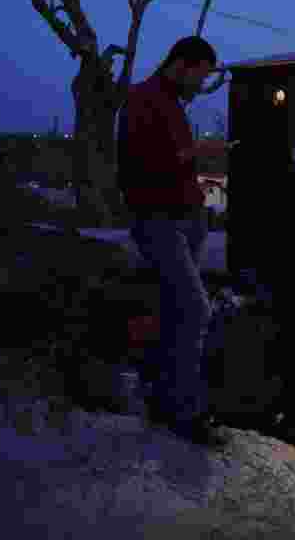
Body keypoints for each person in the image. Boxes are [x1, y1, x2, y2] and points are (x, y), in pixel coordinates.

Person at [117, 35, 232, 447]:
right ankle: (187, 413)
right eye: (199, 78)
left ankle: (166, 401)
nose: (199, 87)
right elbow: (139, 162)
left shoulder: (168, 104)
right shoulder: (143, 100)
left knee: (173, 313)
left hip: (183, 220)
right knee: (194, 310)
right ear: (182, 64)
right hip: (159, 221)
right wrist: (195, 153)